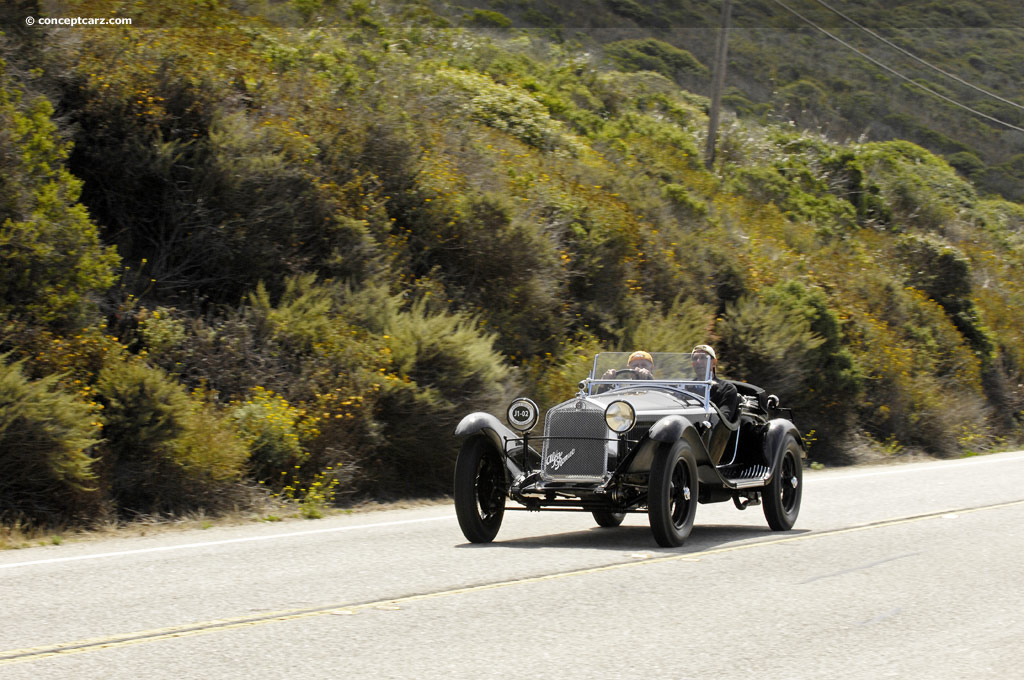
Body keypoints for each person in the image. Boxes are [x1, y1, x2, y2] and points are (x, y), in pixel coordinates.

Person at [691, 344, 739, 420]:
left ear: (714, 363)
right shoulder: (685, 388)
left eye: (704, 358)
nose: (699, 361)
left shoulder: (727, 389)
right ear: (692, 364)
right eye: (695, 358)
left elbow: (723, 419)